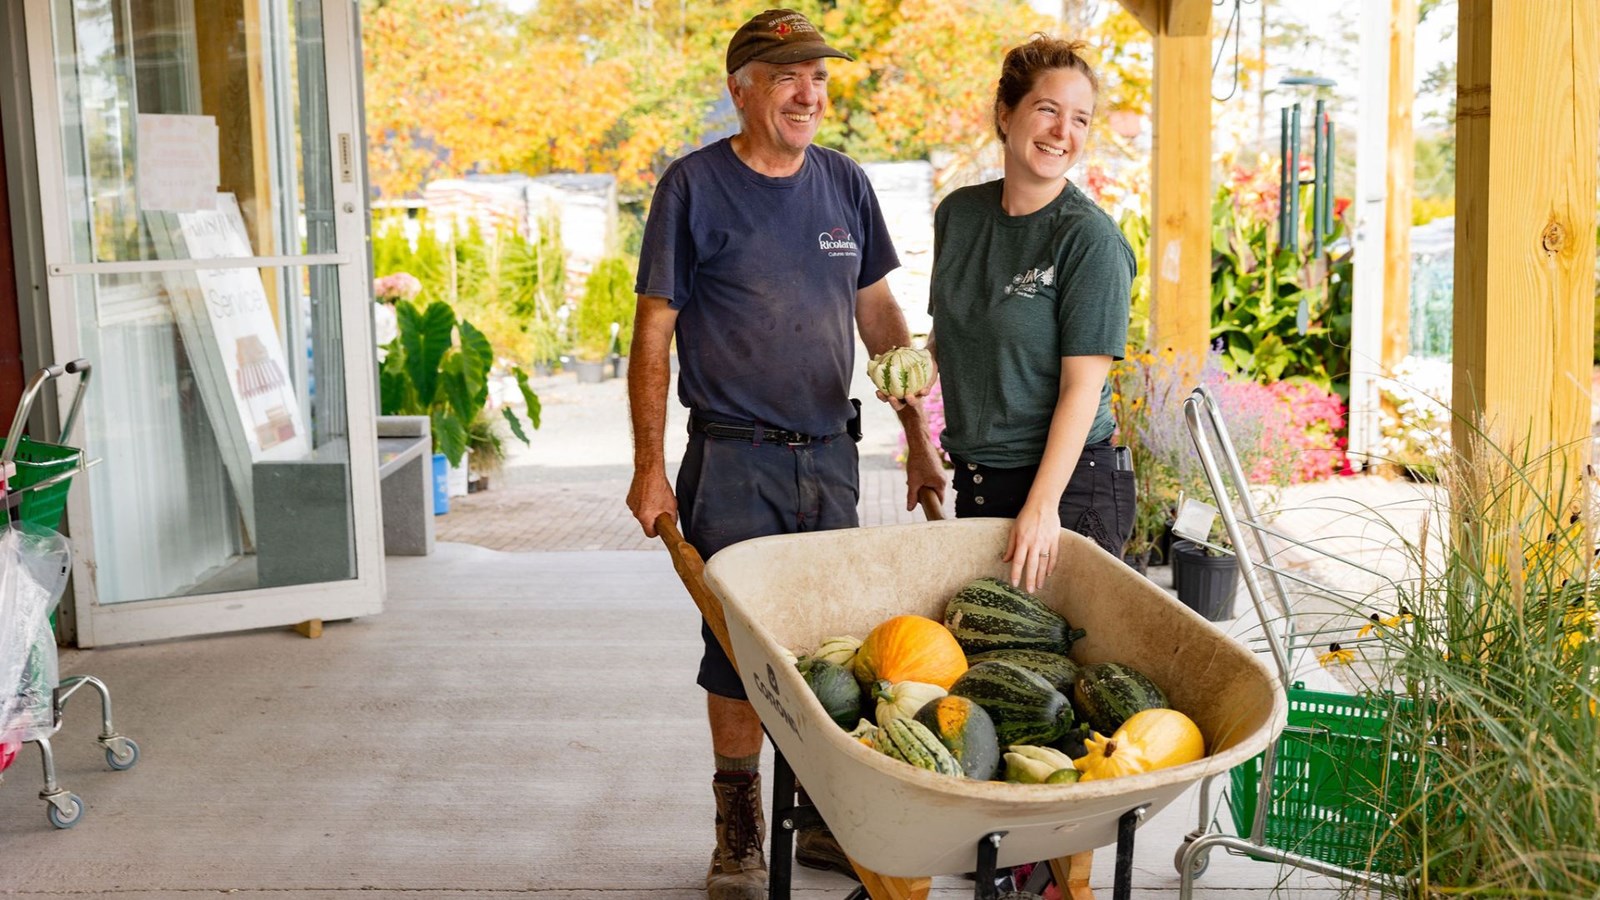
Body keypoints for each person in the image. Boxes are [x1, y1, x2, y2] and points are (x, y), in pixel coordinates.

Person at [625, 10, 945, 899]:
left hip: (829, 457)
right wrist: (650, 465)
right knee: (737, 646)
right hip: (732, 459)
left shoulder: (844, 183)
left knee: (826, 646)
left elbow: (878, 316)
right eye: (787, 77)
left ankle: (816, 821)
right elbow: (654, 338)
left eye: (820, 79)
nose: (809, 94)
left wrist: (919, 440)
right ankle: (739, 828)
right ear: (741, 89)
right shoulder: (692, 188)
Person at [925, 35, 1136, 594]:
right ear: (1006, 113)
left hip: (1068, 488)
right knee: (990, 667)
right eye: (1047, 109)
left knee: (1054, 672)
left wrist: (1041, 507)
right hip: (977, 483)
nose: (1062, 132)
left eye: (1080, 119)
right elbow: (948, 332)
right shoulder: (959, 215)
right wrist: (918, 371)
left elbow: (1081, 390)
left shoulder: (1088, 239)